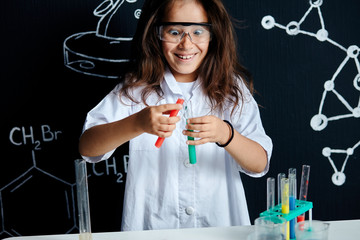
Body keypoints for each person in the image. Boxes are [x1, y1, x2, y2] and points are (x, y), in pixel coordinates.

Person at [79, 0, 272, 231]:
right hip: (153, 230)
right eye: (174, 31)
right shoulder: (136, 90)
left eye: (198, 31)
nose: (186, 43)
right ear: (157, 34)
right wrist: (136, 122)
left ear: (214, 35)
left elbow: (260, 163)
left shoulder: (232, 90)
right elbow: (88, 147)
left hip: (221, 228)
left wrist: (225, 134)